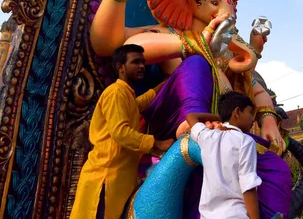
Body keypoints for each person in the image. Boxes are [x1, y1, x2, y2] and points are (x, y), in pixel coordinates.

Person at [70, 44, 175, 219]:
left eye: (143, 62)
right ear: (120, 67)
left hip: (118, 180)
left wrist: (163, 86)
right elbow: (121, 132)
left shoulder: (126, 94)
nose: (142, 66)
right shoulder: (115, 93)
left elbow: (138, 105)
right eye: (135, 62)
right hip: (105, 180)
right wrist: (157, 143)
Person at [187, 91, 264, 219]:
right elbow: (248, 184)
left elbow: (191, 116)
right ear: (237, 112)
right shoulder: (245, 141)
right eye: (250, 113)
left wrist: (220, 118)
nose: (253, 119)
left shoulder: (207, 137)